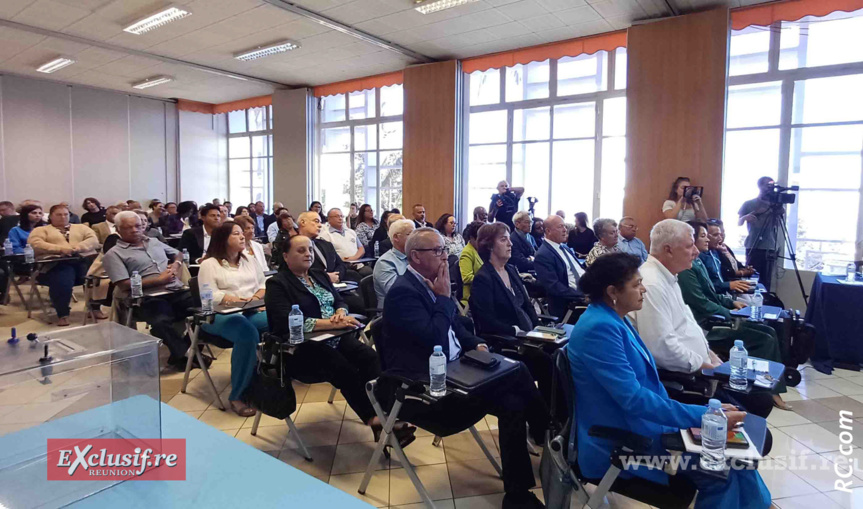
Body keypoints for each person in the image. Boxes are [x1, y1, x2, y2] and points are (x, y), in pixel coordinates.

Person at [568, 252, 771, 509]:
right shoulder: (600, 328)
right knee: (724, 471)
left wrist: (706, 413)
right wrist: (704, 415)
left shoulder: (614, 318)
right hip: (624, 439)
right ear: (612, 292)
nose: (643, 289)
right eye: (636, 285)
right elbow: (634, 400)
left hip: (645, 424)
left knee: (740, 460)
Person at [382, 227, 548, 509]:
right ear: (415, 257)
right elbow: (434, 337)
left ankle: (517, 495)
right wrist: (445, 299)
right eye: (437, 251)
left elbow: (459, 327)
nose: (445, 257)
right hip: (430, 387)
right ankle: (550, 432)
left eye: (445, 249)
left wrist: (477, 344)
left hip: (460, 369)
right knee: (517, 370)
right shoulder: (403, 293)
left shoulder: (435, 280)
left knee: (513, 402)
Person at [267, 235, 415, 445]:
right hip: (301, 348)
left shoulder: (318, 274)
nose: (308, 254)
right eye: (300, 250)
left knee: (370, 358)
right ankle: (374, 420)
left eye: (310, 249)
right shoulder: (277, 284)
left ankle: (387, 414)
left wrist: (340, 312)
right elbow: (284, 322)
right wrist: (329, 323)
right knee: (344, 369)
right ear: (285, 255)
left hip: (336, 337)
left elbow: (339, 300)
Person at [628, 219, 774, 419]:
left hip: (702, 367)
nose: (696, 252)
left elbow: (687, 326)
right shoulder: (652, 283)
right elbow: (662, 349)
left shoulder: (669, 276)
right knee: (756, 408)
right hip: (685, 378)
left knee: (762, 397)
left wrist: (712, 356)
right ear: (668, 250)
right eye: (689, 246)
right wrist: (707, 366)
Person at [679, 221, 790, 410]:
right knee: (763, 338)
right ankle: (762, 390)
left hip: (717, 314)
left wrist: (732, 303)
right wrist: (729, 312)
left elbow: (712, 293)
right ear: (691, 240)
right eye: (704, 236)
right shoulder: (687, 268)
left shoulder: (698, 261)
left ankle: (770, 387)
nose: (708, 239)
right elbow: (701, 303)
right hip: (707, 324)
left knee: (769, 331)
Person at [470, 222, 558, 406]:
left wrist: (539, 329)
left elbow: (526, 305)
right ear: (489, 245)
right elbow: (486, 322)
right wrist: (517, 331)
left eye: (509, 239)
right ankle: (545, 421)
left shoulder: (510, 270)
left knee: (561, 353)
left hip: (529, 336)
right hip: (508, 342)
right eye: (504, 240)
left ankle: (560, 416)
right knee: (545, 361)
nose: (510, 244)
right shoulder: (483, 278)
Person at [102, 211, 198, 370]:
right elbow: (123, 284)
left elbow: (178, 254)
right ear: (118, 230)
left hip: (174, 290)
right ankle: (188, 354)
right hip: (146, 296)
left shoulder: (153, 241)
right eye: (128, 228)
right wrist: (159, 280)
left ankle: (181, 351)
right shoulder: (113, 254)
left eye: (138, 226)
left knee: (206, 309)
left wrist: (175, 265)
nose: (135, 230)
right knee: (161, 320)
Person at [197, 221, 269, 416]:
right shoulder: (209, 264)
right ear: (223, 239)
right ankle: (238, 395)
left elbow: (263, 283)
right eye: (236, 234)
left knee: (279, 320)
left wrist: (254, 299)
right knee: (247, 333)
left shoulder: (249, 259)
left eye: (241, 233)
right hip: (219, 315)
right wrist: (237, 301)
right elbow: (209, 294)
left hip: (251, 310)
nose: (242, 236)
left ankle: (271, 379)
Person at [28, 204, 102, 326]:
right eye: (58, 214)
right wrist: (61, 249)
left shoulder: (82, 228)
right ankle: (62, 314)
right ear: (50, 216)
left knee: (95, 276)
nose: (63, 217)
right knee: (63, 279)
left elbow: (93, 240)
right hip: (54, 265)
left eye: (66, 214)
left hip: (81, 261)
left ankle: (94, 308)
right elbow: (36, 243)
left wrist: (78, 247)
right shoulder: (40, 230)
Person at [296, 211, 364, 312]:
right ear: (303, 222)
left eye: (320, 222)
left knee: (358, 302)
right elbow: (297, 271)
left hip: (335, 289)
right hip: (310, 292)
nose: (320, 225)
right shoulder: (292, 247)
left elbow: (341, 264)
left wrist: (337, 276)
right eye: (316, 221)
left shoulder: (326, 245)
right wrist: (326, 277)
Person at [534, 215, 585, 320]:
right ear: (548, 231)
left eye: (565, 226)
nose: (565, 230)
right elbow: (554, 287)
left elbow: (579, 270)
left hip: (586, 290)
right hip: (571, 303)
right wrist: (582, 296)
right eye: (560, 227)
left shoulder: (565, 248)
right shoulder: (543, 255)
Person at [739, 176, 781, 292]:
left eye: (771, 185)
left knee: (766, 280)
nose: (769, 188)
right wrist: (745, 217)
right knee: (751, 277)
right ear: (760, 186)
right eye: (767, 185)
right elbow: (739, 222)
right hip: (753, 244)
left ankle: (765, 300)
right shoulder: (749, 204)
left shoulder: (776, 205)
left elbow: (779, 224)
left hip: (770, 246)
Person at [703, 220, 753, 295]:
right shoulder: (699, 257)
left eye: (721, 233)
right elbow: (705, 287)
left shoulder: (715, 252)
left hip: (724, 295)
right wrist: (729, 284)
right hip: (717, 296)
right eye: (715, 235)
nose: (720, 238)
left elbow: (736, 265)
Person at [372, 218, 414, 305]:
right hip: (395, 310)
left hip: (413, 304)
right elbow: (397, 293)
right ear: (396, 237)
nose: (415, 239)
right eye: (410, 234)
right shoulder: (385, 262)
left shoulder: (414, 258)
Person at [319, 208, 371, 277]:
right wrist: (345, 261)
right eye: (337, 216)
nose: (340, 218)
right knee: (354, 276)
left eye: (341, 216)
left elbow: (361, 249)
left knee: (369, 273)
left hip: (357, 263)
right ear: (329, 219)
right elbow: (329, 256)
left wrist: (354, 258)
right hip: (341, 266)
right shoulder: (326, 235)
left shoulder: (351, 232)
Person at [458, 221, 484, 308]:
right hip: (472, 296)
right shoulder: (467, 252)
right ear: (471, 238)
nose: (482, 242)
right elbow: (466, 278)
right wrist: (487, 279)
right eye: (479, 239)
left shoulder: (482, 251)